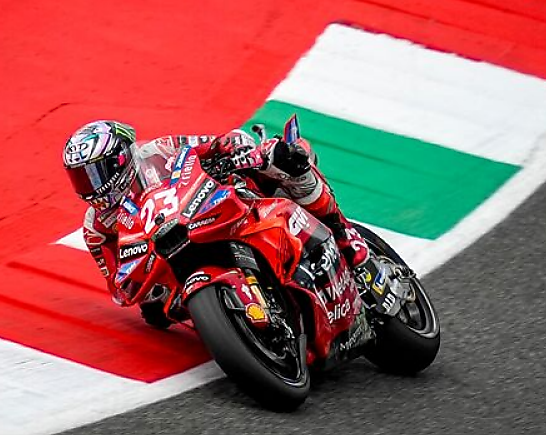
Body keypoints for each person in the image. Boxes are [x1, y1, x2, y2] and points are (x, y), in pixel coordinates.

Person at [62, 119, 371, 311]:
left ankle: (343, 235)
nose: (89, 186)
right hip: (175, 272)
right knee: (156, 313)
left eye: (93, 174)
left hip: (214, 208)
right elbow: (118, 286)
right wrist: (146, 287)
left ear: (119, 159)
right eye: (80, 177)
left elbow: (213, 144)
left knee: (284, 159)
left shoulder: (159, 149)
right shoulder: (96, 227)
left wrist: (234, 148)